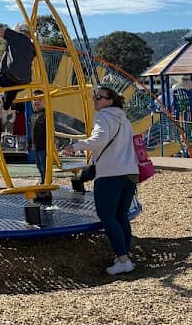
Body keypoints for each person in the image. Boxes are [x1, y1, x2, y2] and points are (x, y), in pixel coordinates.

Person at [60, 85, 139, 275]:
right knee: (121, 217)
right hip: (130, 173)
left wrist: (75, 146)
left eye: (98, 97)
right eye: (94, 96)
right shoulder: (123, 118)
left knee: (107, 217)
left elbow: (99, 139)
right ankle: (124, 256)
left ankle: (123, 260)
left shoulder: (103, 116)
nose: (94, 99)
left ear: (109, 101)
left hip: (110, 174)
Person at [29, 98, 52, 206]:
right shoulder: (34, 115)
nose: (36, 102)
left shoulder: (46, 114)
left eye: (40, 99)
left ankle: (46, 187)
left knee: (44, 166)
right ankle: (44, 184)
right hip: (37, 145)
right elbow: (32, 131)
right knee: (39, 166)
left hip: (44, 145)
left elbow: (50, 130)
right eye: (35, 100)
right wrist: (30, 143)